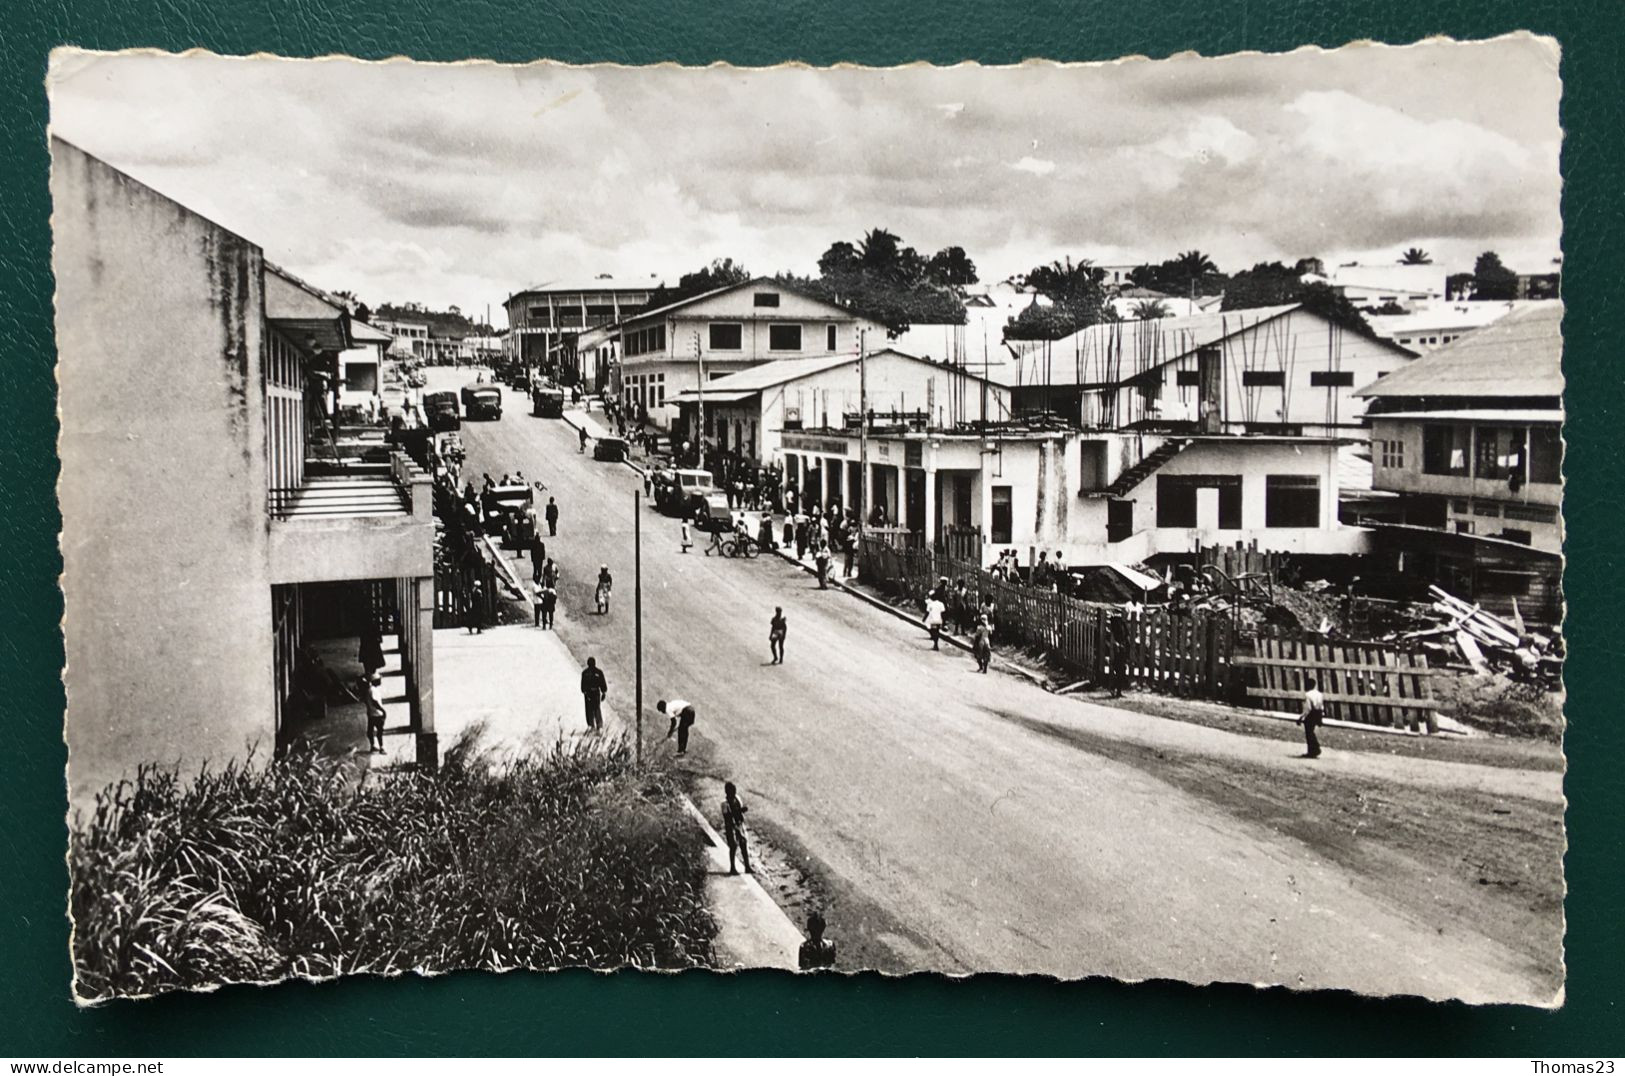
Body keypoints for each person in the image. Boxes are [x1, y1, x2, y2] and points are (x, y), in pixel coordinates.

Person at [721, 782, 752, 875]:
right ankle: (732, 868)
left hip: (739, 824)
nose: (733, 793)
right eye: (731, 791)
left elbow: (739, 811)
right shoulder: (724, 804)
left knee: (743, 844)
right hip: (731, 827)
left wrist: (741, 811)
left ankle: (747, 866)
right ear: (727, 792)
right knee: (733, 846)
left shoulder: (737, 799)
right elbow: (727, 817)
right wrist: (739, 811)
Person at [1298, 677, 1326, 759]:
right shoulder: (1320, 694)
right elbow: (1321, 706)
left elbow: (1308, 708)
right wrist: (1321, 716)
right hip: (1318, 713)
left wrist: (1301, 717)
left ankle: (1314, 749)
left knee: (1309, 732)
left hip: (1311, 714)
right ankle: (1313, 750)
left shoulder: (1308, 695)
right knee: (1311, 731)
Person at [580, 657, 608, 733]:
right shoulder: (598, 672)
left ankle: (594, 725)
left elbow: (583, 686)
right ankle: (596, 726)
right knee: (595, 708)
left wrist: (585, 692)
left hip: (591, 693)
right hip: (594, 693)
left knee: (591, 709)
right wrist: (604, 692)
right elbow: (603, 684)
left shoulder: (586, 673)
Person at [361, 673, 387, 754]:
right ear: (375, 681)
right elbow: (375, 702)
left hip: (371, 713)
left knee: (370, 731)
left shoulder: (370, 690)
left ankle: (373, 746)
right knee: (379, 731)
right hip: (377, 714)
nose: (380, 681)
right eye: (379, 680)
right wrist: (382, 710)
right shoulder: (373, 690)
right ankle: (381, 747)